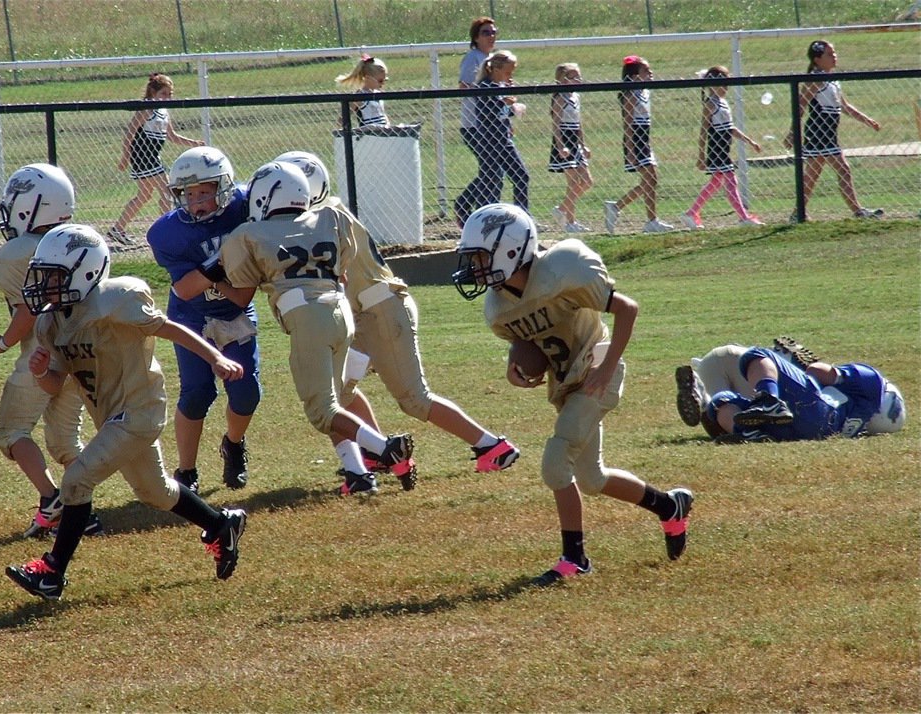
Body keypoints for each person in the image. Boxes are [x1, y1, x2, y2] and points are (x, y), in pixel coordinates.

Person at [452, 203, 693, 586]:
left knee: (555, 461)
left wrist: (608, 367)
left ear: (512, 249)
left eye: (481, 257)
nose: (475, 267)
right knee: (593, 479)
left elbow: (627, 309)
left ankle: (574, 558)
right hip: (565, 384)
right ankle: (670, 506)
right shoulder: (499, 307)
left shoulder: (563, 270)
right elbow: (530, 347)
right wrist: (515, 371)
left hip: (596, 371)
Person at [4, 224, 248, 600]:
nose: (46, 286)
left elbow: (172, 329)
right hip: (110, 416)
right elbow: (57, 384)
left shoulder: (115, 299)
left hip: (139, 410)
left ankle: (52, 572)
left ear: (85, 272)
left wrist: (216, 358)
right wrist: (41, 373)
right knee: (157, 491)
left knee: (76, 481)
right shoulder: (52, 321)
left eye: (54, 277)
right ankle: (220, 524)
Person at [276, 150, 520, 488]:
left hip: (380, 313)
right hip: (364, 314)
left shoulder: (325, 217)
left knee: (414, 399)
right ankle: (377, 454)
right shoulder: (325, 213)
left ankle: (492, 446)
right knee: (336, 393)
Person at [217, 161, 416, 496]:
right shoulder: (328, 218)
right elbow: (344, 272)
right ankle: (358, 474)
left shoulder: (248, 234)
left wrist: (209, 277)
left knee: (322, 411)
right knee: (335, 400)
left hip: (307, 317)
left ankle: (384, 447)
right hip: (340, 311)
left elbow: (240, 293)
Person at [0, 163, 102, 539]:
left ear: (29, 207)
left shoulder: (16, 252)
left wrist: (3, 342)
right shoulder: (79, 240)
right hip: (81, 349)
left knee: (12, 430)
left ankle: (52, 500)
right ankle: (82, 511)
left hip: (42, 353)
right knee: (65, 441)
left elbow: (28, 308)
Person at [146, 146, 261, 493]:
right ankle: (186, 472)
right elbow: (185, 288)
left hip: (234, 312)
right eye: (189, 193)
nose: (196, 201)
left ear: (223, 187)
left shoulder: (244, 206)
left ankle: (234, 444)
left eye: (205, 192)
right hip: (192, 314)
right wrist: (225, 261)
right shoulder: (167, 232)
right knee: (196, 394)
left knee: (246, 393)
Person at [702, 346, 905, 442]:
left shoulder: (872, 380)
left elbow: (816, 372)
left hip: (817, 411)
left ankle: (768, 401)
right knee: (723, 400)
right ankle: (753, 436)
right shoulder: (861, 419)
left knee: (756, 355)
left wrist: (796, 364)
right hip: (807, 432)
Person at [785, 40, 883, 221]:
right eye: (829, 54)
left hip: (829, 132)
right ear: (817, 59)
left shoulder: (832, 78)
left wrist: (866, 120)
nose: (834, 57)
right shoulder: (816, 78)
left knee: (812, 176)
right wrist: (792, 132)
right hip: (819, 132)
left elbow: (844, 106)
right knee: (843, 169)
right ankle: (858, 211)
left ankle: (797, 214)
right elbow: (801, 104)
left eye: (834, 53)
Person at [107, 74, 204, 248]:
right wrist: (125, 157)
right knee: (166, 191)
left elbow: (172, 136)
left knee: (144, 196)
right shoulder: (147, 110)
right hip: (143, 157)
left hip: (153, 157)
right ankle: (167, 231)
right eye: (164, 93)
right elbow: (130, 133)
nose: (168, 97)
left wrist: (193, 143)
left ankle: (118, 228)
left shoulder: (164, 112)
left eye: (170, 94)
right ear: (153, 92)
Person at [682, 66, 764, 230]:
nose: (726, 87)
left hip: (724, 148)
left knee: (715, 182)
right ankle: (743, 217)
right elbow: (704, 130)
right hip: (717, 149)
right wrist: (701, 155)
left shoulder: (723, 103)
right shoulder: (711, 104)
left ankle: (691, 213)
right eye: (723, 83)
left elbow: (730, 128)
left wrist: (749, 141)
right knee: (730, 182)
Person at [674, 336, 818, 429]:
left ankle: (701, 391)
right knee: (727, 424)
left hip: (732, 358)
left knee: (728, 413)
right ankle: (704, 398)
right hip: (747, 371)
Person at [603, 56, 675, 234]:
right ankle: (644, 218)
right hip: (635, 139)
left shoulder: (645, 91)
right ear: (635, 76)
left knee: (651, 180)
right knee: (650, 179)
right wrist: (630, 149)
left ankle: (623, 209)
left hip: (644, 138)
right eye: (646, 71)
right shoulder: (631, 94)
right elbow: (627, 123)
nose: (651, 73)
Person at [463, 51, 529, 217]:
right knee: (490, 181)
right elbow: (486, 112)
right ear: (496, 69)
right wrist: (507, 104)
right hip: (488, 141)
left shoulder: (500, 86)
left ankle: (522, 215)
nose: (510, 75)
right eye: (508, 71)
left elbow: (503, 114)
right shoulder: (484, 86)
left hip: (504, 139)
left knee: (521, 176)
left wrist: (510, 106)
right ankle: (483, 216)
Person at [454, 15, 500, 226]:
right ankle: (476, 210)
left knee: (493, 169)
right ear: (476, 37)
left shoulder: (493, 59)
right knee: (492, 169)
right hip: (475, 124)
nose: (491, 36)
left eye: (493, 32)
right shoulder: (473, 58)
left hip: (492, 124)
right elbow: (464, 86)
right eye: (486, 33)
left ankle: (470, 206)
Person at [548, 63, 594, 233]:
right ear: (562, 80)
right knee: (573, 182)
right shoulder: (560, 97)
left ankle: (562, 209)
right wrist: (560, 146)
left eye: (578, 76)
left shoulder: (575, 96)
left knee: (587, 181)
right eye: (573, 76)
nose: (577, 79)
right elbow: (556, 125)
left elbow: (578, 123)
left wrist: (583, 145)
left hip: (575, 140)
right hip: (564, 140)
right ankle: (570, 222)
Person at [335, 54, 390, 127]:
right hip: (369, 134)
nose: (383, 84)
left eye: (385, 80)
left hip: (384, 132)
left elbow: (383, 114)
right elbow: (341, 120)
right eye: (380, 81)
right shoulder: (360, 96)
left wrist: (388, 125)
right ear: (367, 78)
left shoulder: (378, 94)